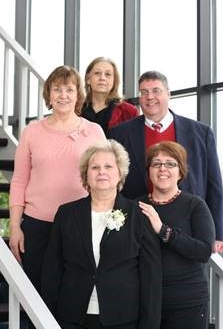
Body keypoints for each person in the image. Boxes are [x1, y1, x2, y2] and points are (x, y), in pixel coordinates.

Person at [41, 139, 162, 329]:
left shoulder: (139, 215)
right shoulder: (66, 214)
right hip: (72, 316)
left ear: (120, 173)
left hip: (123, 318)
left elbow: (151, 277)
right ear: (85, 175)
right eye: (95, 167)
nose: (102, 172)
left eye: (108, 166)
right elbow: (52, 270)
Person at [9, 65, 106, 296]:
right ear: (49, 95)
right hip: (37, 225)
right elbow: (19, 180)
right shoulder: (31, 131)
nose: (63, 95)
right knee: (37, 294)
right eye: (57, 89)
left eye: (69, 89)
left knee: (75, 294)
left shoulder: (94, 131)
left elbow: (106, 178)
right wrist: (14, 226)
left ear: (78, 95)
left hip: (81, 224)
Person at [108, 70, 223, 252]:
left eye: (156, 91)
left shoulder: (201, 133)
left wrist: (218, 233)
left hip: (189, 228)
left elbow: (214, 184)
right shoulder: (120, 134)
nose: (149, 97)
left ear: (168, 94)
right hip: (138, 227)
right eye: (144, 92)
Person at [138, 141, 215, 329]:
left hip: (187, 302)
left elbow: (204, 251)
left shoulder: (195, 205)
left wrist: (163, 230)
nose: (162, 169)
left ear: (180, 172)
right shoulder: (137, 206)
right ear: (149, 171)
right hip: (146, 301)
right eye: (156, 164)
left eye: (170, 164)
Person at [81, 57, 139, 136]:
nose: (102, 78)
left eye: (108, 74)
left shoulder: (129, 111)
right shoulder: (76, 109)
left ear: (114, 81)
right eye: (97, 73)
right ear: (88, 79)